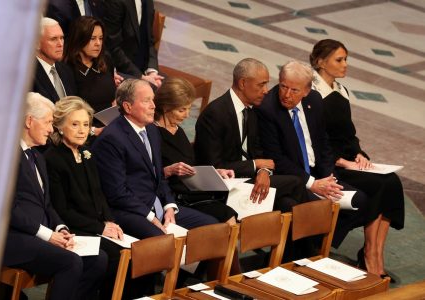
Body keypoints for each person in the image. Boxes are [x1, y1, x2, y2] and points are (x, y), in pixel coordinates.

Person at [255, 61, 378, 268]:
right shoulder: (268, 109)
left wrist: (328, 178)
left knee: (360, 201)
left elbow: (323, 143)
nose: (286, 94)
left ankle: (315, 246)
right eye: (283, 86)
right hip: (294, 179)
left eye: (294, 90)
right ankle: (308, 254)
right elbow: (276, 158)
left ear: (306, 90)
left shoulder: (314, 100)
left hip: (319, 174)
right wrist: (312, 183)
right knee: (313, 210)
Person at [310, 39, 405, 280]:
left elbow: (348, 134)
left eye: (346, 59)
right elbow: (314, 138)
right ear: (321, 62)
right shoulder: (311, 92)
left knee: (391, 182)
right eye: (339, 60)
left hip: (348, 160)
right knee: (377, 186)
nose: (345, 65)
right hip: (326, 165)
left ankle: (374, 254)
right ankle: (371, 259)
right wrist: (342, 162)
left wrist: (359, 155)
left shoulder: (341, 91)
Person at [2, 92, 107, 300]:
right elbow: (8, 209)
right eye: (48, 122)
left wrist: (61, 228)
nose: (51, 129)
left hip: (38, 235)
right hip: (11, 238)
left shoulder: (37, 158)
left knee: (97, 259)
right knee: (70, 262)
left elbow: (47, 204)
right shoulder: (7, 155)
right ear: (29, 121)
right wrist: (48, 235)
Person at [91, 79, 218, 239]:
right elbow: (117, 194)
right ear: (128, 107)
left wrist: (170, 206)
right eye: (146, 101)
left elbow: (158, 177)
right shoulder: (112, 139)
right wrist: (150, 217)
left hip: (157, 205)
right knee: (163, 242)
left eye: (153, 99)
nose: (154, 106)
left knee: (214, 229)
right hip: (130, 211)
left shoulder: (151, 130)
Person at [195, 58, 309, 213]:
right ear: (243, 83)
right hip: (225, 186)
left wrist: (264, 171)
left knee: (287, 205)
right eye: (261, 84)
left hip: (249, 179)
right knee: (296, 182)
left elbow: (258, 151)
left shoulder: (253, 110)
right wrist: (256, 165)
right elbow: (213, 166)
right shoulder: (215, 114)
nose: (266, 90)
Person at [45, 96, 130, 299]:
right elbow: (62, 210)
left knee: (129, 254)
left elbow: (99, 193)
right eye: (75, 124)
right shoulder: (52, 159)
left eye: (86, 124)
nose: (82, 130)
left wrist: (110, 221)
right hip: (73, 228)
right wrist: (100, 228)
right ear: (59, 126)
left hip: (94, 225)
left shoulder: (86, 153)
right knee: (110, 258)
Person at [154, 77, 238, 225]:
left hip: (192, 192)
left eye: (189, 108)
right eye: (182, 110)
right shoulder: (152, 133)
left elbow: (191, 165)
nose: (187, 115)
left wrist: (215, 173)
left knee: (230, 215)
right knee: (222, 222)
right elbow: (146, 172)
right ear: (166, 107)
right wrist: (168, 171)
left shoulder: (178, 131)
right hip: (174, 197)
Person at [64, 16, 116, 136]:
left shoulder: (106, 60)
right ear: (80, 39)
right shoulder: (68, 68)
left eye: (101, 38)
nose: (98, 43)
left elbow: (113, 94)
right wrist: (92, 130)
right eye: (92, 38)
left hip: (110, 124)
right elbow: (70, 110)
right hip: (85, 130)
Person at [101, 0, 164, 87]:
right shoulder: (115, 2)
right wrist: (140, 76)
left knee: (171, 90)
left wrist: (152, 71)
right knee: (155, 91)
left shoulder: (148, 2)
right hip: (120, 69)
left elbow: (149, 40)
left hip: (143, 67)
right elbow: (112, 47)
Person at [33, 17, 77, 102]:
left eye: (62, 38)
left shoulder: (66, 69)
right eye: (53, 39)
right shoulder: (28, 76)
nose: (60, 44)